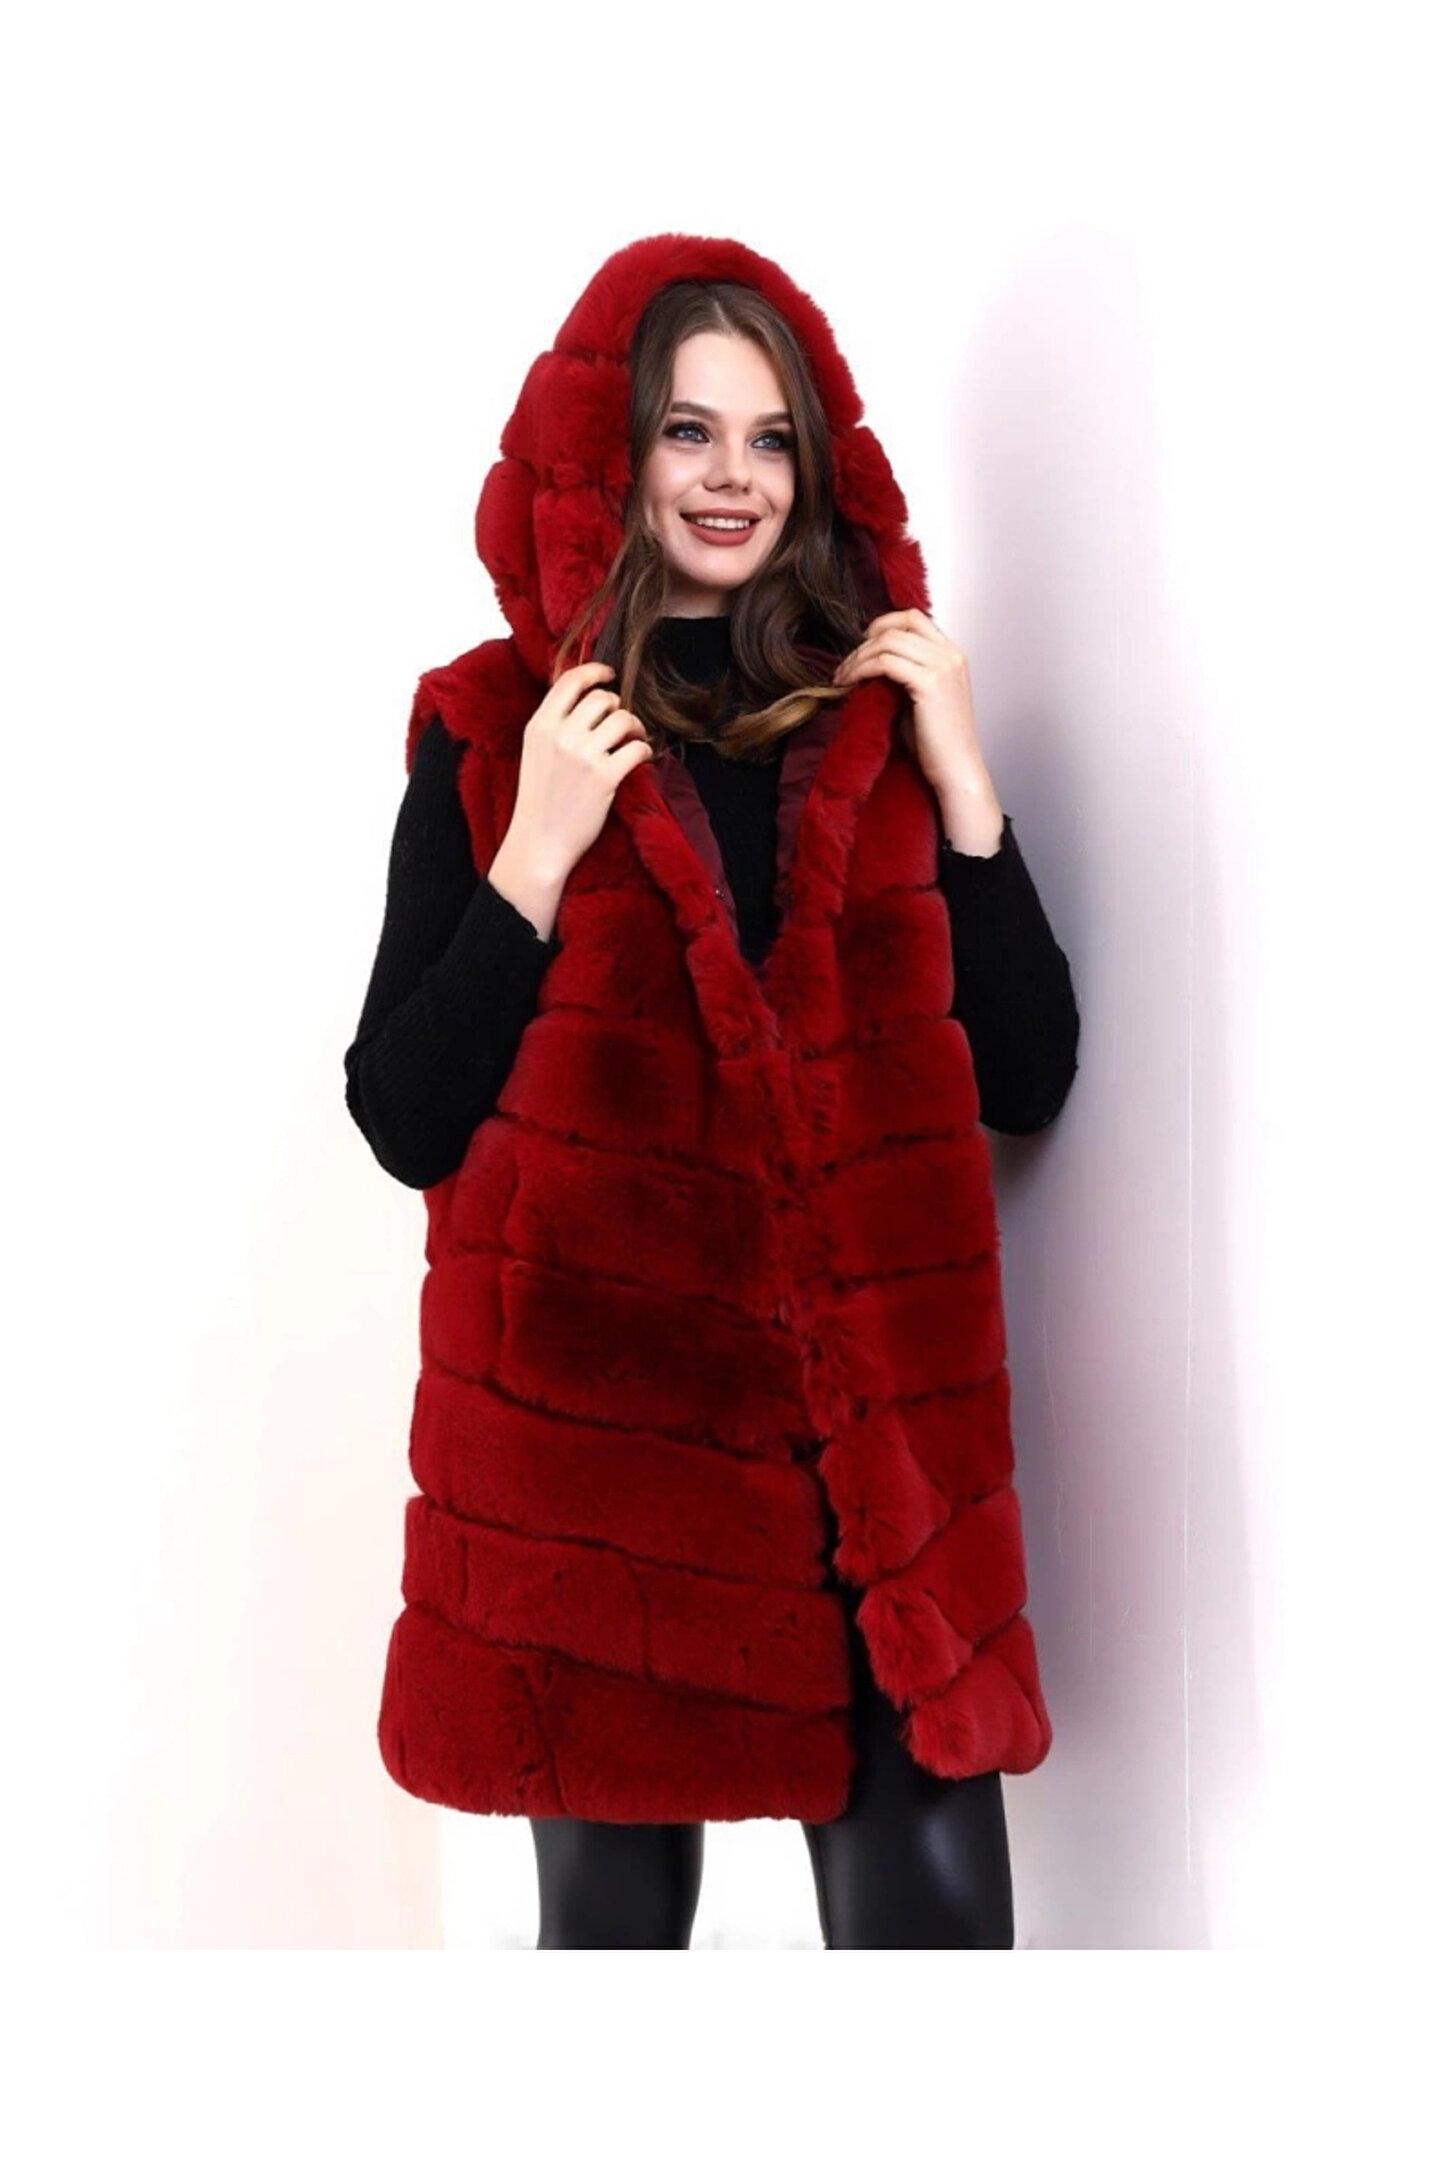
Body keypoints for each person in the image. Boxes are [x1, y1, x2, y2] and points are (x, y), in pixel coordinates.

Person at [345, 235, 1080, 1948]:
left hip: (869, 1487)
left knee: (947, 1965)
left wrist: (968, 785)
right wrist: (535, 853)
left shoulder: (877, 735)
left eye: (770, 438)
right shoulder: (493, 729)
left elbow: (1033, 1075)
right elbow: (402, 1115)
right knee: (614, 1975)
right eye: (689, 431)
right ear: (610, 453)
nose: (733, 476)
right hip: (604, 1500)